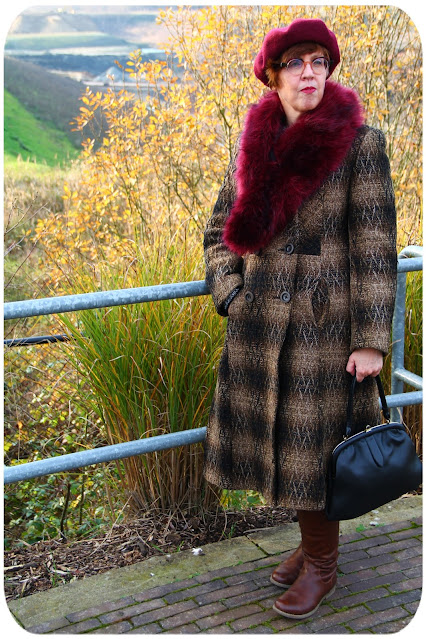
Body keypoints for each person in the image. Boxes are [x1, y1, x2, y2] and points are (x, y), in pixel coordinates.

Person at [203, 18, 397, 619]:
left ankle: (322, 566)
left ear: (328, 71)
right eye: (295, 62)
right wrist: (232, 294)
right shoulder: (254, 145)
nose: (308, 72)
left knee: (315, 449)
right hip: (260, 327)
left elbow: (375, 249)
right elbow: (217, 233)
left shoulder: (360, 144)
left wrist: (372, 340)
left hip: (325, 328)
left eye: (318, 61)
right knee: (285, 446)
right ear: (273, 77)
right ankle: (310, 544)